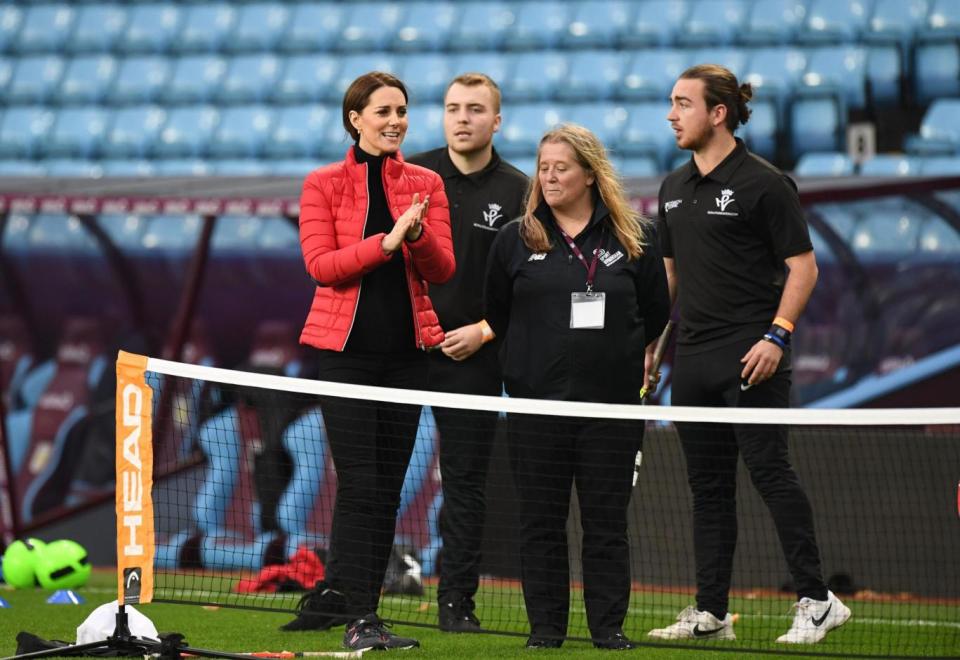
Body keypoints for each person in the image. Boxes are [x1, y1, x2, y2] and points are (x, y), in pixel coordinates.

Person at [646, 64, 851, 645]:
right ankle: (710, 614)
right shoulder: (672, 188)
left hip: (753, 354)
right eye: (670, 102)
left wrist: (777, 334)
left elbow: (803, 267)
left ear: (718, 113)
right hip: (693, 359)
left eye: (683, 103)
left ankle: (816, 600)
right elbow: (671, 279)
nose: (670, 113)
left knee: (770, 473)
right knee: (707, 490)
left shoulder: (765, 183)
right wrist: (653, 348)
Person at [280, 71, 455, 652]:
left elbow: (442, 269)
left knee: (386, 490)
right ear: (355, 118)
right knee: (360, 483)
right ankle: (358, 614)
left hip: (408, 360)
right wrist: (386, 241)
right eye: (382, 111)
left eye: (401, 111)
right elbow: (321, 267)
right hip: (347, 359)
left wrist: (418, 235)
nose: (394, 121)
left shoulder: (427, 181)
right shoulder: (322, 183)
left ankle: (363, 611)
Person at [485, 124, 670, 650]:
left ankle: (608, 628)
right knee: (540, 523)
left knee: (606, 525)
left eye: (561, 167)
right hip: (536, 409)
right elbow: (497, 311)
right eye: (543, 167)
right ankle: (546, 630)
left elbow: (655, 312)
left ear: (590, 173)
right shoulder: (514, 240)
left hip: (610, 411)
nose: (549, 177)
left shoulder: (637, 237)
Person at [406, 73, 528, 634]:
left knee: (464, 488)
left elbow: (528, 286)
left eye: (475, 109)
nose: (462, 118)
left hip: (475, 359)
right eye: (453, 107)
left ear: (496, 121)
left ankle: (456, 603)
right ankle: (353, 595)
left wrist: (484, 330)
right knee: (375, 480)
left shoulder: (521, 192)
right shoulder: (410, 175)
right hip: (406, 354)